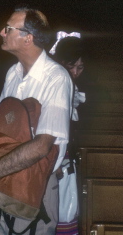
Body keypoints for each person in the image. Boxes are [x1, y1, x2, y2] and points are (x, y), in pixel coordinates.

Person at [0, 5, 73, 235]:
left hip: (34, 190)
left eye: (8, 29)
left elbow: (42, 146)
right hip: (2, 183)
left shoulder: (56, 78)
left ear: (28, 38)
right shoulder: (13, 73)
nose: (1, 33)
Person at [51, 33, 86, 235]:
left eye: (80, 67)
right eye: (70, 66)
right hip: (55, 157)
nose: (74, 72)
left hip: (68, 158)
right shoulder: (55, 84)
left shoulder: (76, 87)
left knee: (66, 210)